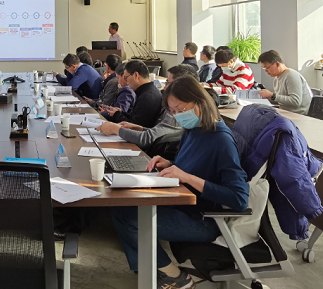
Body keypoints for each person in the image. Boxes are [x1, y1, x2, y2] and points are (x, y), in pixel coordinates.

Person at [112, 76, 249, 288]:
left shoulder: (221, 140)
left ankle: (174, 276)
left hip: (202, 219)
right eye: (172, 111)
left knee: (130, 219)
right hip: (180, 204)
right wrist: (169, 164)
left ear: (199, 103)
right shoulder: (192, 131)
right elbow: (192, 165)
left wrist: (187, 177)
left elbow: (239, 199)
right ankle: (152, 267)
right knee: (122, 207)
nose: (176, 116)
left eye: (180, 109)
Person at [98, 64, 198, 159]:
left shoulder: (180, 112)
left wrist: (115, 128)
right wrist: (139, 128)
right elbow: (159, 132)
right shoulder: (172, 106)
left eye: (168, 83)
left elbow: (147, 138)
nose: (165, 87)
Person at [106, 60, 162, 127]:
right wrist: (121, 113)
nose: (127, 82)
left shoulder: (147, 97)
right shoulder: (148, 91)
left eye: (126, 78)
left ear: (136, 75)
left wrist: (116, 115)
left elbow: (135, 126)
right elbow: (136, 117)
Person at [258, 50, 312, 115]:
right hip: (285, 112)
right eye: (264, 68)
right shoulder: (276, 79)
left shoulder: (291, 75)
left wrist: (272, 95)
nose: (266, 71)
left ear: (277, 64)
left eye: (267, 68)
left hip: (298, 115)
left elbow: (295, 101)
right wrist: (266, 97)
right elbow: (281, 100)